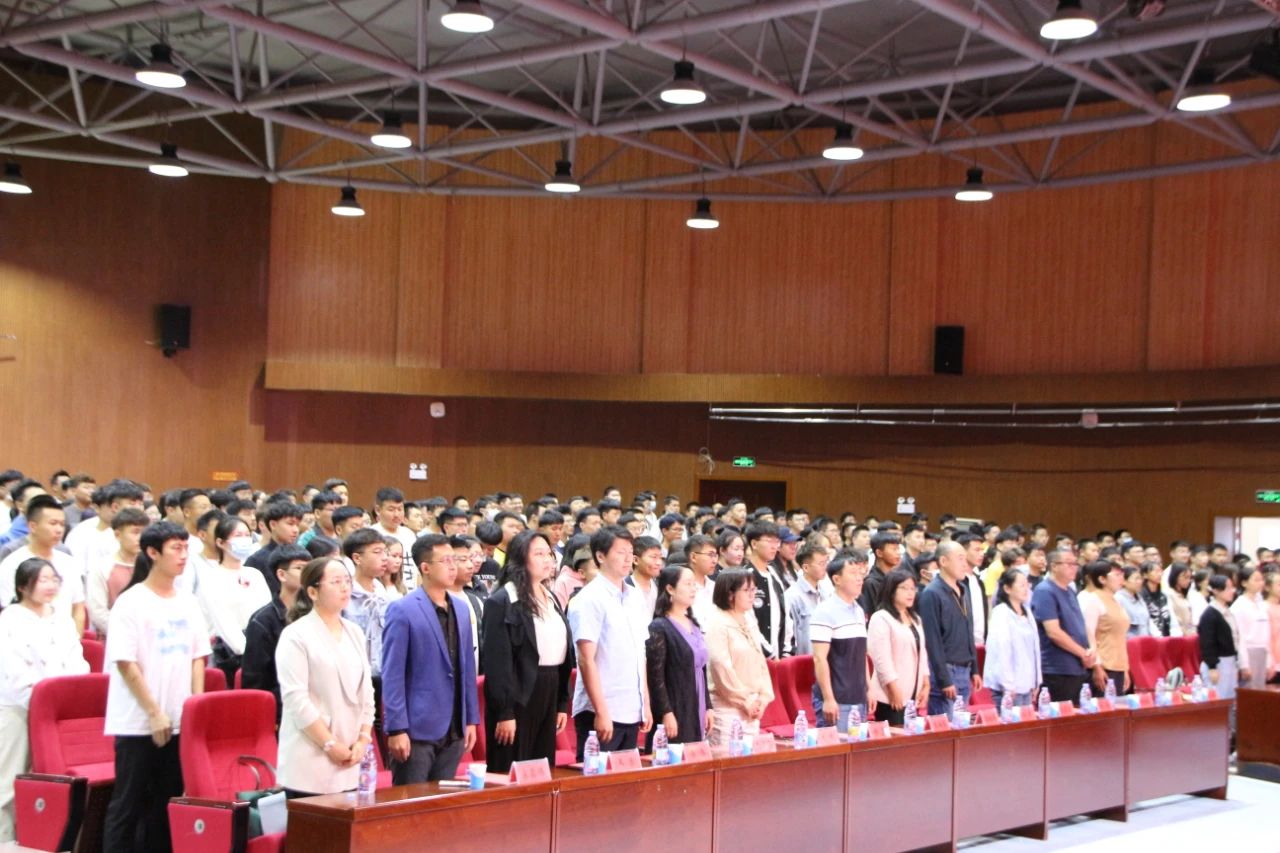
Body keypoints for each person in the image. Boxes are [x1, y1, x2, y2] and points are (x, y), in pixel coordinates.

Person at [103, 521, 210, 852]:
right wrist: (153, 712)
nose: (183, 556)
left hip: (178, 720)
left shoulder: (188, 601)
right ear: (152, 552)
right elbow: (125, 662)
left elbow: (198, 657)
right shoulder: (131, 602)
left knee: (167, 803)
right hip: (138, 721)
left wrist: (194, 708)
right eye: (176, 549)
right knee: (128, 803)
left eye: (186, 548)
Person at [0, 558, 90, 841]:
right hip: (18, 707)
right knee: (10, 778)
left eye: (54, 579)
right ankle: (4, 838)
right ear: (23, 586)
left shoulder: (60, 617)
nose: (50, 586)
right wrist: (40, 701)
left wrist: (68, 698)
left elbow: (76, 660)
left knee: (53, 780)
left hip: (58, 712)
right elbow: (14, 670)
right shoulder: (10, 619)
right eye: (42, 580)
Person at [382, 534, 479, 784]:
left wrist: (470, 719)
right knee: (411, 800)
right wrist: (397, 728)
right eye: (445, 561)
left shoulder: (461, 608)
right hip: (417, 728)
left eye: (454, 560)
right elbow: (392, 674)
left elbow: (467, 668)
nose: (453, 566)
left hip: (455, 726)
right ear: (425, 568)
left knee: (442, 802)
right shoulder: (402, 609)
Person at [275, 557, 375, 796]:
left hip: (351, 753)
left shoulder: (354, 632)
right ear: (312, 592)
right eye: (336, 582)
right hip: (310, 758)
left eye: (347, 581)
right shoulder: (295, 635)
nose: (345, 588)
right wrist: (329, 743)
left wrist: (363, 738)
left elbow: (367, 691)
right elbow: (296, 699)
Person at [480, 531, 573, 773]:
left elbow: (563, 651)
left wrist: (561, 703)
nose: (547, 560)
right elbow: (498, 663)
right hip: (518, 691)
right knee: (513, 765)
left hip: (550, 686)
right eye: (539, 554)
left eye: (549, 554)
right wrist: (505, 712)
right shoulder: (502, 601)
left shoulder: (550, 596)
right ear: (520, 558)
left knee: (542, 767)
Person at [568, 527, 651, 760]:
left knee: (626, 777)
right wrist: (602, 711)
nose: (628, 558)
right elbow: (586, 659)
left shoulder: (635, 596)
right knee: (597, 777)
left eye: (631, 552)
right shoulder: (588, 599)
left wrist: (645, 703)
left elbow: (640, 654)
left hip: (631, 706)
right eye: (621, 552)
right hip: (601, 709)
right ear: (601, 556)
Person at [197, 515, 272, 680]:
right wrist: (248, 651)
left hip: (261, 647)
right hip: (228, 653)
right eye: (238, 535)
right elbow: (223, 622)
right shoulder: (211, 578)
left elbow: (267, 612)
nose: (244, 539)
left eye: (247, 535)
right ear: (220, 542)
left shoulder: (254, 574)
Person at [646, 566, 714, 745]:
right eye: (688, 584)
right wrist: (666, 712)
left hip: (697, 700)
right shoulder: (659, 627)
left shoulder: (693, 624)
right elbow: (655, 677)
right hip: (676, 703)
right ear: (670, 588)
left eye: (694, 584)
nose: (693, 589)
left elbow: (702, 669)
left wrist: (708, 706)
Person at [704, 570, 773, 746]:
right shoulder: (717, 623)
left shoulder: (749, 620)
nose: (752, 595)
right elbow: (721, 667)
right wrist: (745, 701)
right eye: (747, 590)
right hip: (727, 709)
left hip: (753, 706)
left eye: (754, 589)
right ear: (730, 594)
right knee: (728, 757)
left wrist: (763, 698)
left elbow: (760, 662)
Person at [0, 495, 86, 634]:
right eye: (53, 523)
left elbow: (78, 608)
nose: (59, 530)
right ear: (33, 526)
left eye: (62, 524)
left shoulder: (69, 562)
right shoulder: (12, 563)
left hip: (65, 640)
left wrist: (75, 640)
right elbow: (9, 610)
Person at [242, 545, 309, 720]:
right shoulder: (262, 621)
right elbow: (255, 681)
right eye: (300, 568)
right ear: (281, 575)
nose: (307, 574)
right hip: (281, 710)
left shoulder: (315, 613)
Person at [919, 541, 981, 718]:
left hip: (964, 668)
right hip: (946, 669)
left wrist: (975, 669)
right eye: (960, 558)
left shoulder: (963, 589)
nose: (965, 564)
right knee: (946, 724)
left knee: (961, 725)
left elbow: (968, 631)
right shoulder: (931, 593)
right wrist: (944, 679)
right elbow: (933, 640)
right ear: (943, 561)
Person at [811, 555, 873, 728]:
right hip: (837, 699)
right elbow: (819, 658)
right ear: (837, 579)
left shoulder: (859, 610)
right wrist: (828, 698)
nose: (859, 578)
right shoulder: (824, 611)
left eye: (860, 573)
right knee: (838, 744)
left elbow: (861, 655)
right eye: (853, 573)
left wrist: (869, 688)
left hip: (859, 696)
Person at [1031, 549, 1095, 705]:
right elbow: (1053, 632)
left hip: (1077, 666)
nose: (1074, 568)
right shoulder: (1045, 591)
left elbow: (1081, 623)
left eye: (1075, 564)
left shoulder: (1070, 590)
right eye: (1069, 564)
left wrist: (1092, 649)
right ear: (1054, 566)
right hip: (1057, 667)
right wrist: (1083, 653)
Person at [867, 567, 929, 726]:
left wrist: (926, 683)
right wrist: (893, 690)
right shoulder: (881, 618)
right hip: (889, 695)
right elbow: (882, 660)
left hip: (913, 693)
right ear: (891, 590)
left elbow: (922, 653)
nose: (910, 593)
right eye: (904, 588)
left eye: (913, 588)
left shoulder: (915, 618)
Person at [983, 568, 1042, 709]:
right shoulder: (1001, 613)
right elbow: (1001, 650)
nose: (1026, 589)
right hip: (1009, 687)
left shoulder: (1027, 612)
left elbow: (1035, 649)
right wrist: (1008, 685)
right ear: (1007, 589)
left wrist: (1036, 681)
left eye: (1027, 585)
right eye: (1021, 585)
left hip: (1027, 683)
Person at [86, 507, 147, 636]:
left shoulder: (153, 565)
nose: (141, 538)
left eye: (144, 532)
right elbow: (98, 612)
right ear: (118, 535)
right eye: (135, 532)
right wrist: (125, 633)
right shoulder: (102, 568)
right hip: (114, 637)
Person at [1199, 575, 1243, 730]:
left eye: (1232, 587)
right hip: (1219, 663)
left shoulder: (1227, 611)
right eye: (1228, 588)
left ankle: (1230, 734)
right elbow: (1207, 642)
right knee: (1219, 700)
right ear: (1216, 591)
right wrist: (1212, 666)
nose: (1232, 591)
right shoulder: (1209, 614)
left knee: (1231, 700)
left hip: (1230, 661)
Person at [1080, 561, 1131, 696]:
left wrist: (1125, 669)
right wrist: (1096, 666)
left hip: (1118, 665)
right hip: (1103, 666)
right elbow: (1088, 635)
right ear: (1102, 579)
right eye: (1116, 575)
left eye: (1122, 575)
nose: (1121, 579)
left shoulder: (1116, 600)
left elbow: (1120, 637)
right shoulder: (1093, 600)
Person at [743, 523, 790, 660]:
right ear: (754, 544)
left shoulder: (774, 573)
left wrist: (787, 650)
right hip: (755, 656)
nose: (775, 546)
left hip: (779, 655)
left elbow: (786, 614)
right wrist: (768, 653)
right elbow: (747, 621)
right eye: (769, 541)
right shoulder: (745, 575)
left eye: (777, 542)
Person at [245, 501, 303, 598]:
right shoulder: (257, 560)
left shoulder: (302, 555)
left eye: (297, 525)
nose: (296, 530)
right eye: (290, 524)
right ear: (273, 524)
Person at [1231, 566, 1274, 690]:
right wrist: (1244, 664)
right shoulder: (1239, 606)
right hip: (1249, 652)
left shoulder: (1261, 604)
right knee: (1249, 691)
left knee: (1260, 691)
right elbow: (1240, 637)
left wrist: (1269, 660)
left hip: (1262, 651)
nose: (1260, 583)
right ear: (1244, 583)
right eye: (1256, 580)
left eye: (1261, 580)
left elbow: (1266, 634)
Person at [784, 541, 830, 656]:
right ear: (806, 567)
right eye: (821, 564)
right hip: (804, 659)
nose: (825, 567)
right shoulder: (792, 596)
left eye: (826, 562)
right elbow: (789, 636)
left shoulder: (825, 593)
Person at [1138, 561, 1180, 638]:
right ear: (1145, 575)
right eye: (1156, 571)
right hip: (1150, 637)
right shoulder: (1140, 596)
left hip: (1167, 636)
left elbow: (1171, 617)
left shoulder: (1163, 596)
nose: (1160, 574)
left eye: (1160, 571)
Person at [685, 534, 719, 626]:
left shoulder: (715, 586)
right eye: (710, 555)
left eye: (716, 555)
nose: (715, 561)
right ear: (693, 557)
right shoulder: (682, 588)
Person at [1116, 566, 1152, 637]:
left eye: (1140, 579)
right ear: (1124, 581)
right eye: (1136, 579)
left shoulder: (1140, 598)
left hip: (1145, 639)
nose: (1140, 582)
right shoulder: (1119, 599)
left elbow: (1148, 622)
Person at [1167, 563, 1196, 636]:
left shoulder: (1186, 595)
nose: (1188, 580)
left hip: (1189, 633)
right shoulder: (1169, 594)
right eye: (1185, 577)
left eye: (1189, 578)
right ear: (1175, 576)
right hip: (1178, 634)